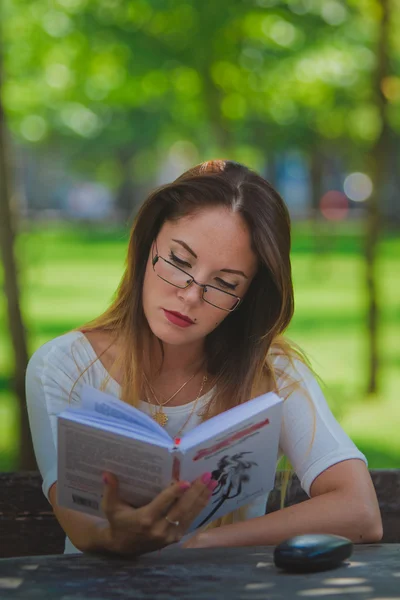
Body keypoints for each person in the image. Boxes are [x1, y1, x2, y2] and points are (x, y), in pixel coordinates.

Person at [26, 160, 383, 556]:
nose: (191, 295)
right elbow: (81, 524)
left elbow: (360, 512)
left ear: (247, 296)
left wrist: (203, 541)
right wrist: (115, 535)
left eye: (225, 283)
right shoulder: (65, 367)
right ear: (148, 246)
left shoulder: (274, 373)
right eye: (179, 261)